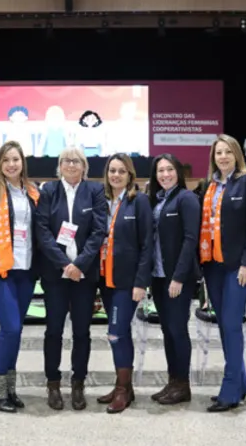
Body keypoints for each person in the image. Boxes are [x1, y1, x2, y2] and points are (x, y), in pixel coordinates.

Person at [34, 145, 108, 410]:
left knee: (82, 332)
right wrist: (65, 265)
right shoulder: (49, 191)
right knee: (53, 330)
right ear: (59, 165)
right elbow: (41, 230)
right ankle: (53, 383)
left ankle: (78, 383)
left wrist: (79, 265)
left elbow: (99, 231)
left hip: (83, 277)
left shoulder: (95, 191)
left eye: (76, 161)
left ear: (84, 166)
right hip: (56, 274)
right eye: (66, 160)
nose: (71, 165)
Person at [0, 141, 42, 413]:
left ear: (22, 162)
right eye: (6, 160)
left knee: (16, 331)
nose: (12, 164)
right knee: (10, 327)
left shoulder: (32, 192)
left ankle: (9, 387)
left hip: (26, 271)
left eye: (16, 159)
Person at [198, 135, 246, 412]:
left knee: (232, 324)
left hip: (239, 266)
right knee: (224, 325)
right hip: (212, 264)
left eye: (227, 152)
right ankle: (241, 383)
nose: (222, 157)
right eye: (218, 152)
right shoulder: (210, 185)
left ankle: (230, 389)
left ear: (237, 154)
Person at [94, 153, 153, 414]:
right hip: (105, 279)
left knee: (116, 333)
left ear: (130, 174)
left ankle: (122, 391)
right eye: (112, 171)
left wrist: (141, 282)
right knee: (120, 333)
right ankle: (124, 386)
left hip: (127, 282)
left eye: (121, 171)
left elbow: (147, 244)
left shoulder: (138, 201)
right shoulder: (102, 201)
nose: (115, 175)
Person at [146, 154, 201, 405]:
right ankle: (173, 381)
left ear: (178, 172)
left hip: (177, 278)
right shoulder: (156, 200)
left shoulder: (186, 198)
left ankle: (183, 384)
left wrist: (178, 277)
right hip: (158, 276)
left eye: (169, 169)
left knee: (178, 330)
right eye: (160, 170)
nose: (165, 174)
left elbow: (191, 239)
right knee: (168, 330)